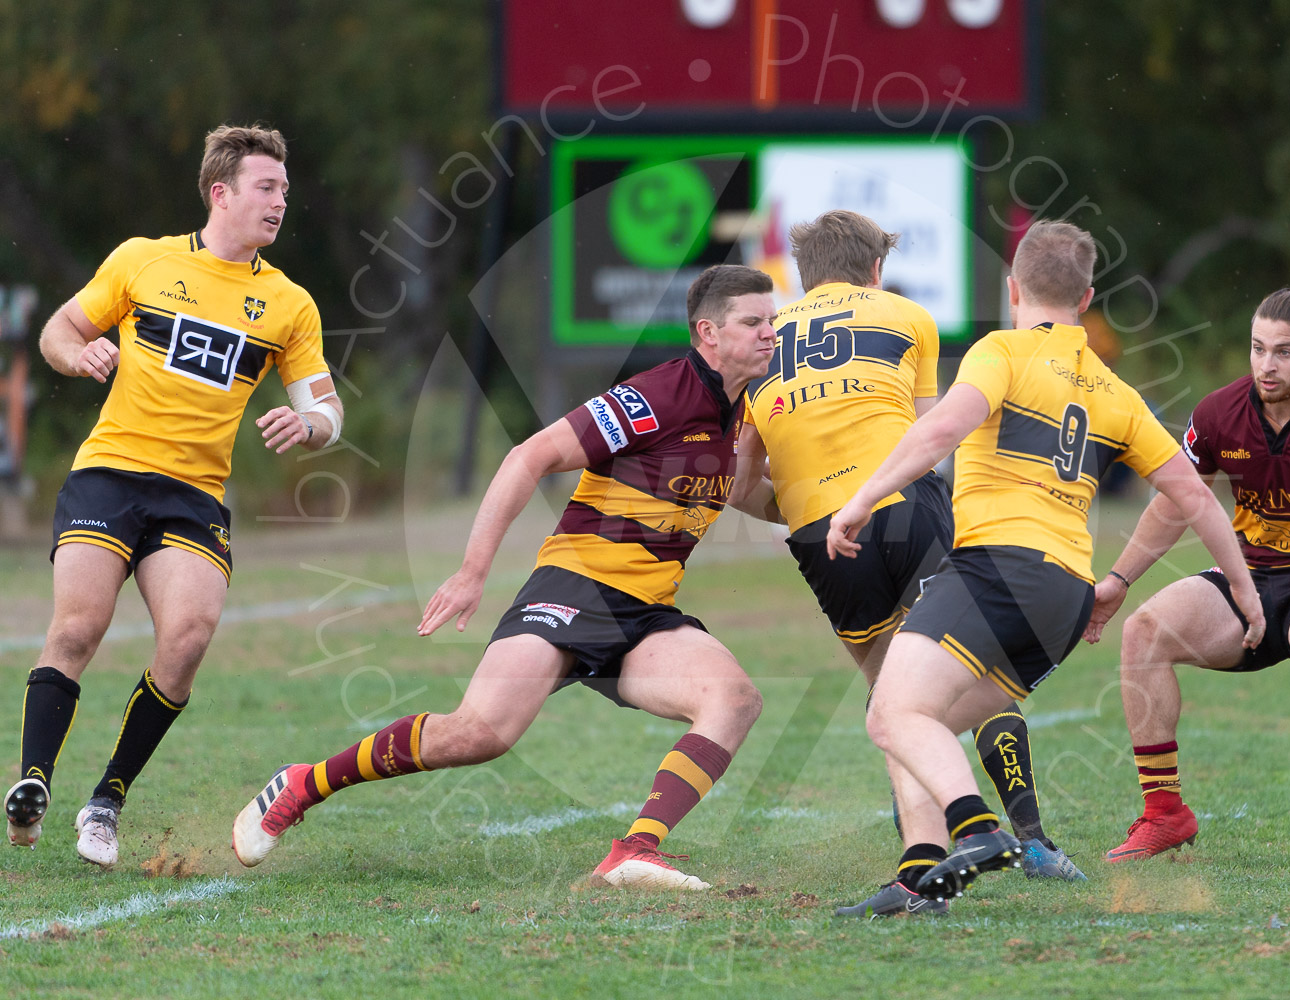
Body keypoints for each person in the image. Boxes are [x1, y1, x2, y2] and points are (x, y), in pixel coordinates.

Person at [232, 265, 775, 890]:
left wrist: (831, 509)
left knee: (734, 700)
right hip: (576, 588)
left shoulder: (738, 409)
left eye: (773, 321)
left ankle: (635, 851)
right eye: (753, 322)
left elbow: (741, 493)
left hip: (646, 613)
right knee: (479, 734)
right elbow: (530, 456)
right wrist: (472, 571)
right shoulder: (658, 395)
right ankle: (304, 782)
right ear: (708, 332)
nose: (769, 334)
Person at [825, 219, 1265, 901]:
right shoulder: (1116, 392)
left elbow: (943, 425)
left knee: (890, 714)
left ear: (1013, 289)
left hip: (998, 568)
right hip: (1065, 600)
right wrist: (1244, 588)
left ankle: (977, 832)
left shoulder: (1000, 350)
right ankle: (920, 880)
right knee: (919, 726)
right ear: (1086, 299)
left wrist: (863, 497)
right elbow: (1194, 498)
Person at [3, 125, 344, 867]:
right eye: (267, 187)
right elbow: (61, 329)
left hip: (194, 495)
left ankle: (106, 802)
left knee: (188, 638)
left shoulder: (288, 305)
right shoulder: (142, 260)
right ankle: (32, 783)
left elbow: (327, 406)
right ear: (220, 193)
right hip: (110, 472)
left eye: (285, 189)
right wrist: (80, 351)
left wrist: (311, 422)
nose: (281, 201)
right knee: (77, 629)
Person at [729, 210, 1082, 920]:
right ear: (875, 271)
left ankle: (919, 872)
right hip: (905, 505)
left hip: (821, 540)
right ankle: (1018, 835)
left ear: (802, 276)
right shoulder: (906, 316)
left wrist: (803, 509)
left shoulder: (762, 346)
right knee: (953, 670)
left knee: (893, 700)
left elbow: (740, 485)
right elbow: (929, 436)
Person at [1087, 281, 1290, 862]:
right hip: (1247, 579)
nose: (1266, 365)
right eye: (1257, 348)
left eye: (1284, 351)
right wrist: (1117, 581)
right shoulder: (1218, 413)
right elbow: (1174, 504)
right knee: (1142, 631)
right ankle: (1164, 813)